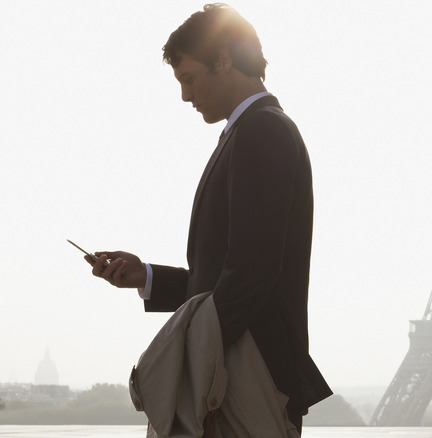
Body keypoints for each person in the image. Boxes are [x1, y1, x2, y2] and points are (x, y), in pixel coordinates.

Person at [85, 4, 331, 432]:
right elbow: (228, 281)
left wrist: (195, 358)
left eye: (188, 78)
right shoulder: (253, 131)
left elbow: (252, 274)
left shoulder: (261, 131)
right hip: (241, 372)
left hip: (247, 378)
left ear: (223, 59)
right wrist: (145, 277)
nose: (185, 95)